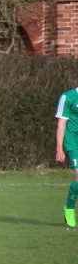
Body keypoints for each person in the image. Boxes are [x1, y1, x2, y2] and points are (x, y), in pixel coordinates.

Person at [56, 87, 78, 227]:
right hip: (73, 142)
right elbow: (61, 124)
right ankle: (69, 208)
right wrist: (59, 148)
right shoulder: (68, 97)